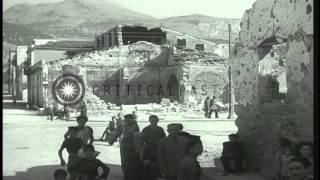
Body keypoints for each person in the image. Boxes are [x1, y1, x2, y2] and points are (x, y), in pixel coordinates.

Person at [111, 114, 140, 180]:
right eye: (126, 118)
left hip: (132, 143)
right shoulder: (123, 126)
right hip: (124, 143)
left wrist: (138, 145)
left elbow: (137, 136)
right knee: (124, 160)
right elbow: (118, 133)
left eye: (129, 118)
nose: (127, 120)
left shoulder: (136, 126)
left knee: (131, 159)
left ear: (132, 119)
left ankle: (131, 174)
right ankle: (126, 174)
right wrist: (112, 140)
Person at [142, 115, 166, 180]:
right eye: (152, 121)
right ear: (149, 121)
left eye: (155, 120)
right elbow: (141, 142)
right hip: (148, 151)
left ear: (158, 121)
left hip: (159, 150)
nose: (154, 122)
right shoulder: (145, 129)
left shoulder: (160, 129)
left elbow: (164, 140)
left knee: (158, 165)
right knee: (148, 166)